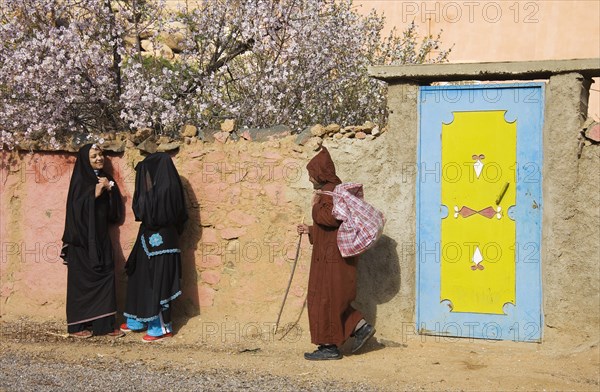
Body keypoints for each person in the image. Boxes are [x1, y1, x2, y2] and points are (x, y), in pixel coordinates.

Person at [297, 146, 375, 360]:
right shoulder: (332, 190)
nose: (310, 178)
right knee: (332, 299)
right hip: (331, 255)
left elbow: (331, 219)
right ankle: (361, 328)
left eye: (312, 173)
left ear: (319, 173)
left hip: (332, 259)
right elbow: (332, 226)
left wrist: (314, 207)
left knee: (326, 300)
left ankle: (329, 348)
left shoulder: (330, 192)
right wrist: (311, 231)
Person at [121, 152, 188, 342]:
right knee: (139, 276)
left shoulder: (167, 189)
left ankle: (160, 327)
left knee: (157, 282)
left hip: (162, 244)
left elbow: (150, 213)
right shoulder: (158, 189)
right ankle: (138, 318)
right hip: (146, 239)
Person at [61, 143, 124, 338]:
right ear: (84, 161)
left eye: (100, 154)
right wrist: (95, 193)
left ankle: (104, 325)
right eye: (93, 156)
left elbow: (114, 214)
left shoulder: (107, 178)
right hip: (81, 241)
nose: (99, 158)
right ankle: (77, 327)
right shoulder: (80, 180)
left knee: (106, 275)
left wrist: (110, 192)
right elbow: (74, 210)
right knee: (81, 282)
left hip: (101, 238)